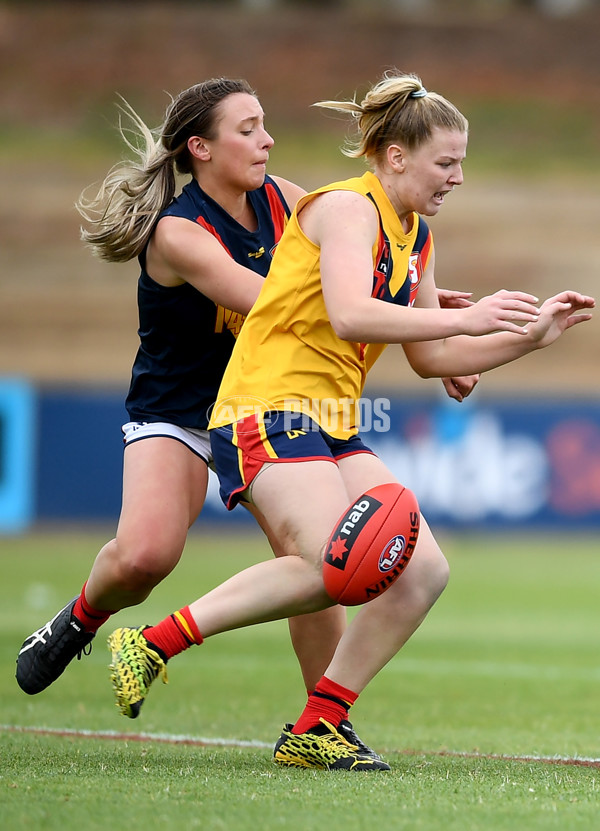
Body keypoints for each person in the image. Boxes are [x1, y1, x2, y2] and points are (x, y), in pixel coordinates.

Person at [105, 69, 594, 772]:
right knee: (332, 566)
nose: (457, 177)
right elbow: (350, 313)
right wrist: (471, 314)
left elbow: (432, 357)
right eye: (445, 162)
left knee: (424, 569)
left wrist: (532, 335)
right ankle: (153, 642)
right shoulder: (346, 210)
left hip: (331, 417)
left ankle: (319, 722)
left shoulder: (415, 235)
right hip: (264, 405)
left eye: (461, 163)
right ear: (396, 157)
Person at [14, 77, 475, 759]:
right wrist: (410, 307)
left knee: (324, 560)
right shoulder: (179, 231)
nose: (267, 140)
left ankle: (324, 725)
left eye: (264, 125)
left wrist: (405, 292)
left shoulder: (286, 198)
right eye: (248, 129)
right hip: (186, 408)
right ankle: (81, 619)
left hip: (275, 397)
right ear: (200, 148)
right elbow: (282, 307)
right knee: (146, 556)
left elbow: (341, 269)